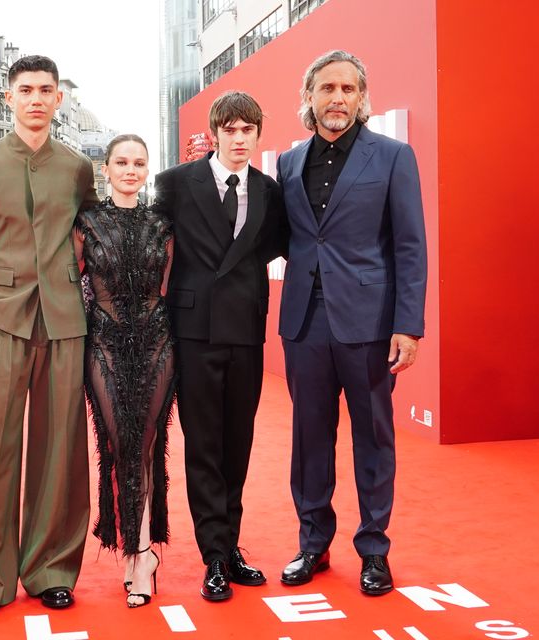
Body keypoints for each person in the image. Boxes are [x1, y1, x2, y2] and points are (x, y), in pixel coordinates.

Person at [0, 54, 98, 621]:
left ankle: (52, 568)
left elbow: (95, 240)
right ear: (9, 98)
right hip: (1, 321)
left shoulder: (80, 169)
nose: (36, 99)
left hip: (64, 322)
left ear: (59, 99)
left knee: (61, 452)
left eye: (46, 90)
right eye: (25, 89)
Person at [277, 50, 427, 597]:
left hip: (369, 322)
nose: (337, 98)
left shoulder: (392, 157)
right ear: (309, 97)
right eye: (326, 88)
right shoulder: (289, 162)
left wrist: (408, 325)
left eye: (347, 89)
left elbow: (410, 245)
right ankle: (312, 544)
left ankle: (373, 550)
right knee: (308, 440)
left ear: (362, 98)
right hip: (304, 322)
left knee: (373, 438)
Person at [154, 91, 285, 602]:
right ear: (214, 133)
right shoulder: (174, 184)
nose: (238, 138)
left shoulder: (269, 191)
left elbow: (272, 246)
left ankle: (230, 547)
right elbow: (155, 244)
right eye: (229, 129)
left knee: (238, 444)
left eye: (246, 130)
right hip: (194, 331)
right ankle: (213, 554)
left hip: (245, 331)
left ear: (256, 134)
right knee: (204, 445)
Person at [74, 134, 175, 608]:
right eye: (121, 162)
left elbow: (171, 287)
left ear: (147, 169)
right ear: (107, 169)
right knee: (117, 444)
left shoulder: (162, 224)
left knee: (147, 444)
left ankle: (140, 554)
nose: (130, 170)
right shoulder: (86, 223)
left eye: (139, 162)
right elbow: (72, 284)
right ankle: (133, 545)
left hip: (157, 342)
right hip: (105, 345)